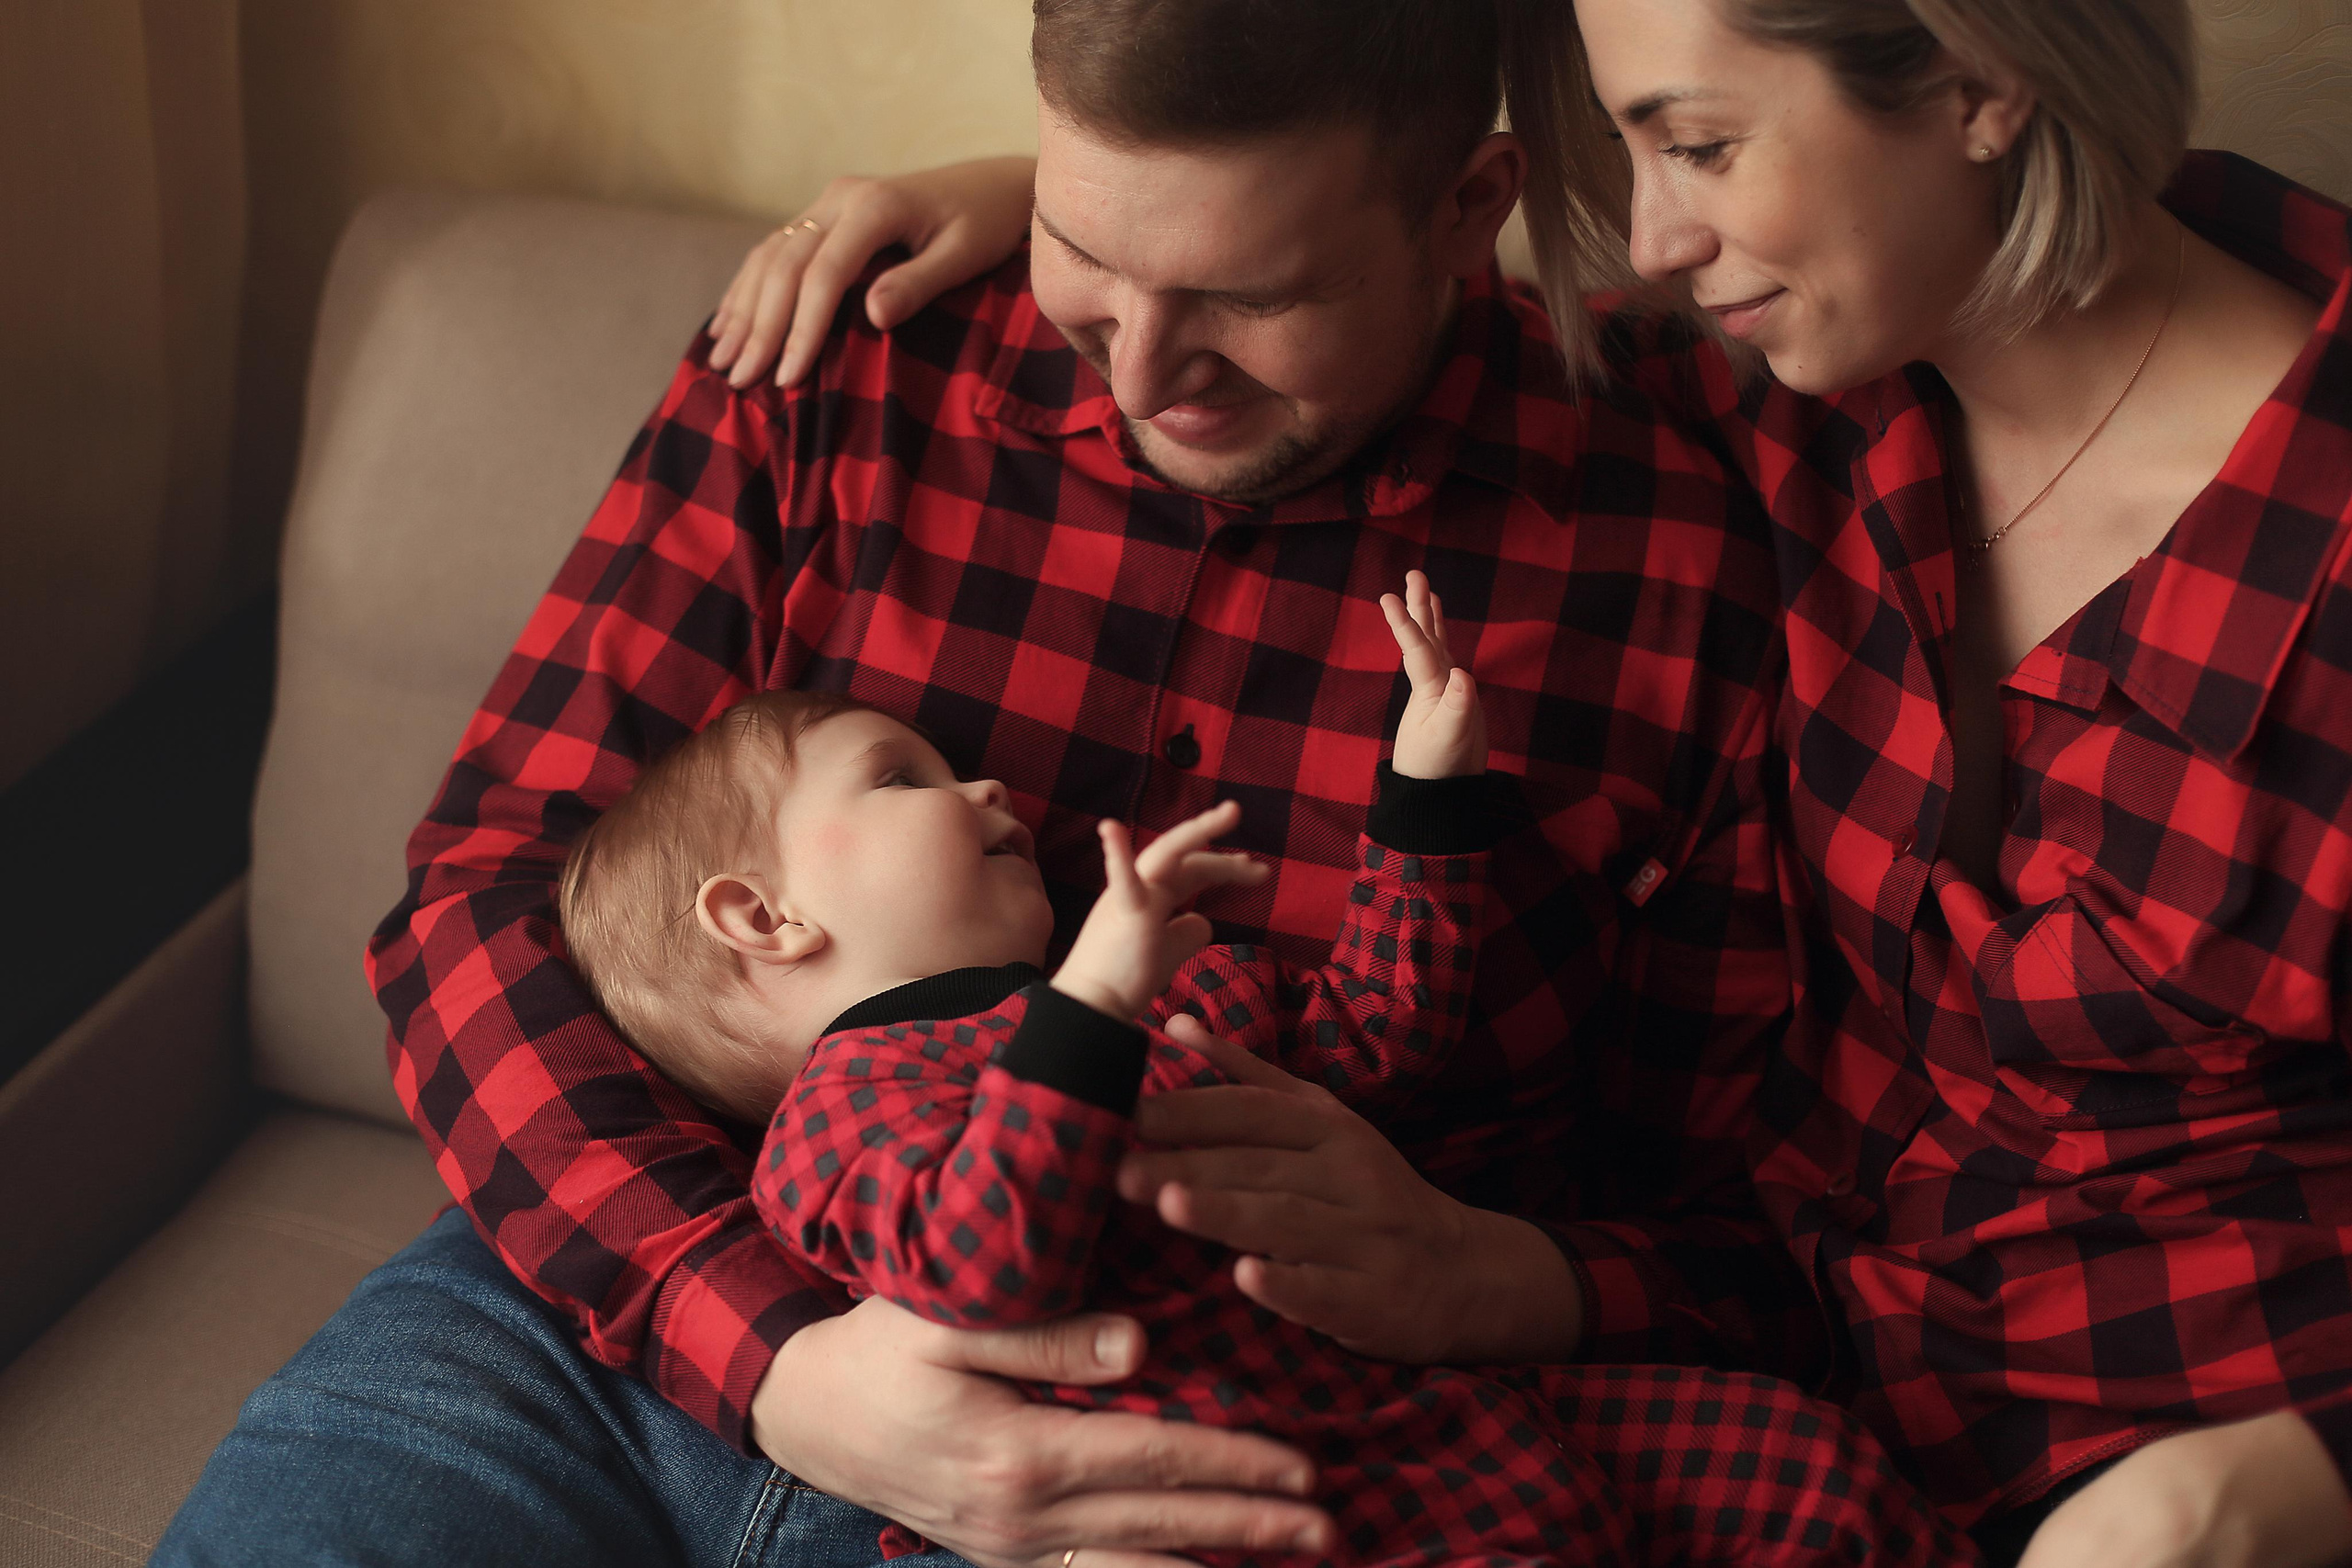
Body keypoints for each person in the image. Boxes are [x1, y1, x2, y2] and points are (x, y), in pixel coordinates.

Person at [156, 4, 1895, 1565]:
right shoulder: (852, 356)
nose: (1138, 373)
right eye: (1086, 255)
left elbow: (1767, 1219)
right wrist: (772, 1356)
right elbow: (484, 895)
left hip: (1241, 1433)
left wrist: (1486, 1275)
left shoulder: (1675, 534)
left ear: (1467, 207)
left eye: (1248, 297)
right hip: (625, 1314)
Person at [704, 1, 2352, 1564]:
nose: (1646, 237)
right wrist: (1106, 217)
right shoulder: (1810, 382)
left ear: (1982, 84)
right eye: (1626, 149)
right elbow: (1375, 257)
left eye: (1696, 146)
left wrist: (2293, 1472)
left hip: (2192, 1449)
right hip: (1828, 1424)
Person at [555, 602, 1975, 1568]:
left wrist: (1426, 802)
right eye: (902, 778)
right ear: (764, 918)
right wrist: (1088, 1010)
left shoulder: (1178, 990)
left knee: (1804, 1464)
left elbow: (1377, 1040)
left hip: (1451, 1407)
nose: (990, 794)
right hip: (1254, 1504)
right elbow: (986, 1264)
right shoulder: (845, 1117)